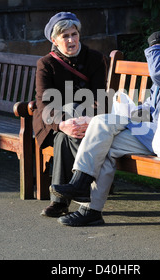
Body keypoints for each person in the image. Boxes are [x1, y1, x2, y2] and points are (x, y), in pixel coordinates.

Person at [50, 20, 160, 226]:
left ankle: (80, 183)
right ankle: (90, 210)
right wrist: (129, 113)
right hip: (155, 132)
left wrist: (153, 45)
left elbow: (158, 73)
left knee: (101, 123)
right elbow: (150, 108)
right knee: (105, 145)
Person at [34, 12, 108, 218]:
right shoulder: (46, 64)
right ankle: (83, 187)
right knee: (64, 132)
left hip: (87, 120)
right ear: (54, 40)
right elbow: (44, 103)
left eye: (74, 34)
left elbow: (99, 98)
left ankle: (59, 202)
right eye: (65, 36)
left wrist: (85, 118)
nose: (71, 40)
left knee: (68, 132)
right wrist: (63, 123)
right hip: (52, 123)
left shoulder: (95, 59)